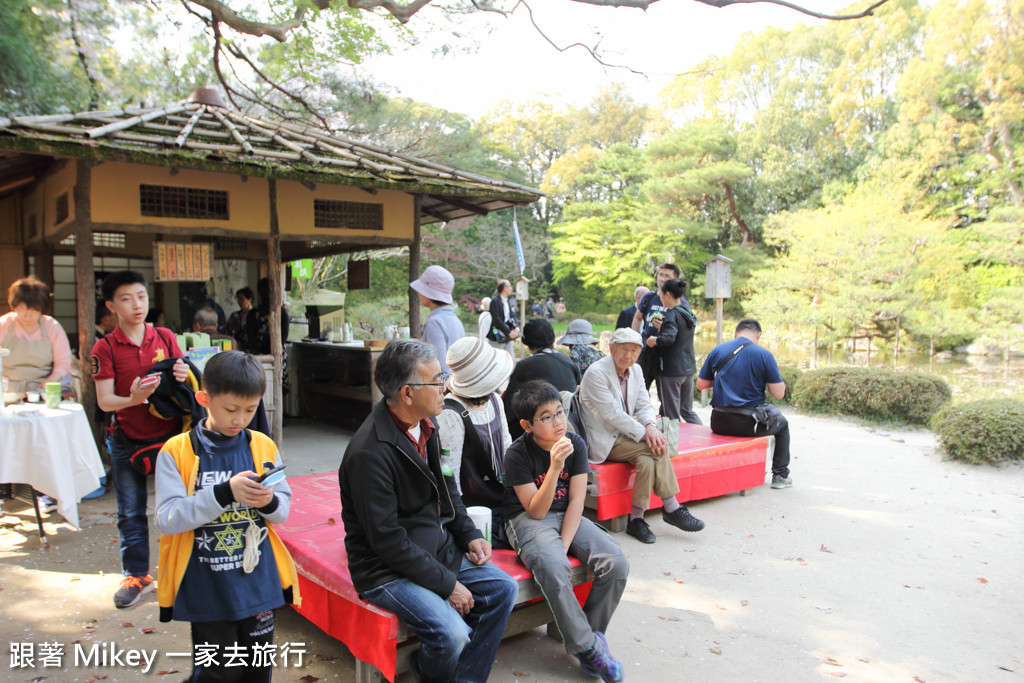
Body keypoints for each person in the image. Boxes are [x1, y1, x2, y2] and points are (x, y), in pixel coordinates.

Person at [339, 339, 518, 683]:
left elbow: (448, 485)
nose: (445, 387)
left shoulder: (427, 425)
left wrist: (467, 534)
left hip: (433, 547)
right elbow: (387, 540)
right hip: (384, 569)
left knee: (503, 589)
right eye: (437, 380)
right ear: (407, 393)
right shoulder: (369, 454)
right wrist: (448, 584)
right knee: (452, 633)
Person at [154, 350, 299, 682]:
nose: (240, 420)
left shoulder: (262, 446)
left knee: (258, 671)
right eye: (231, 410)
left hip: (259, 584)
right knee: (217, 674)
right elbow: (167, 517)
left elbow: (283, 510)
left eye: (250, 410)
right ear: (204, 399)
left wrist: (267, 501)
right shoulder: (177, 451)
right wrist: (223, 493)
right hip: (208, 586)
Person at [504, 380, 628, 682]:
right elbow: (536, 510)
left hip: (567, 516)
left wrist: (564, 543)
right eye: (546, 417)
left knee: (616, 563)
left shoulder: (576, 442)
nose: (558, 422)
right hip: (527, 519)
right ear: (527, 425)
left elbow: (576, 501)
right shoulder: (517, 454)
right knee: (553, 566)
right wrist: (555, 466)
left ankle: (589, 639)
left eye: (560, 412)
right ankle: (589, 650)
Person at [92, 270, 190, 608]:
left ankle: (188, 568)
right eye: (126, 298)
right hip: (126, 440)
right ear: (111, 306)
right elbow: (105, 401)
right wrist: (133, 400)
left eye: (141, 296)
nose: (137, 305)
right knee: (131, 511)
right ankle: (137, 575)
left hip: (172, 437)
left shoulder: (163, 337)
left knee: (181, 505)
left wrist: (182, 372)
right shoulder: (103, 347)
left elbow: (184, 377)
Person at [579, 328, 705, 544]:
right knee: (657, 446)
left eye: (634, 350)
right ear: (611, 348)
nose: (628, 355)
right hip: (604, 437)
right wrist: (645, 432)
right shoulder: (596, 373)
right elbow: (612, 414)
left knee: (647, 459)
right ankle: (671, 506)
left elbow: (644, 404)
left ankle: (636, 519)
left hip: (626, 434)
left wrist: (650, 425)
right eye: (624, 349)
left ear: (640, 353)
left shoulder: (636, 371)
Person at [697, 319, 793, 489]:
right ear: (758, 335)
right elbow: (779, 394)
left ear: (735, 334)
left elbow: (701, 384)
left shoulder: (718, 350)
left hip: (719, 422)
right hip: (748, 424)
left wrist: (725, 380)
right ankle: (780, 475)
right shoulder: (763, 355)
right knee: (783, 425)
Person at [437, 337, 515, 547]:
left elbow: (507, 448)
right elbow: (448, 472)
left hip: (501, 494)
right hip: (472, 507)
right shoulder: (450, 413)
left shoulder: (495, 401)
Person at [503, 318, 580, 441]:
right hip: (571, 430)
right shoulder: (569, 362)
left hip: (538, 436)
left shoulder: (524, 366)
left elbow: (510, 405)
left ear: (528, 345)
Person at [645, 279, 702, 443]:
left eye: (661, 294)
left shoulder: (671, 313)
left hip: (671, 371)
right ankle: (702, 437)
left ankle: (672, 447)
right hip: (688, 369)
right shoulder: (686, 312)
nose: (660, 298)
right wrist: (663, 327)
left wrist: (654, 340)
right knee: (687, 410)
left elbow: (669, 338)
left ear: (667, 294)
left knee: (670, 414)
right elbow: (679, 333)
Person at [1, 276, 72, 396]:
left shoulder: (52, 326)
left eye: (34, 311)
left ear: (42, 309)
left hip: (43, 390)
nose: (27, 316)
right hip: (8, 391)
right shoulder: (3, 324)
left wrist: (52, 380)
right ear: (14, 306)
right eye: (22, 310)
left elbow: (63, 362)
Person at [632, 263, 688, 389]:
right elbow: (637, 317)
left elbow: (685, 330)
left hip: (666, 354)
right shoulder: (649, 297)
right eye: (660, 275)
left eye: (667, 276)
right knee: (637, 388)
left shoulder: (680, 303)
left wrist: (666, 327)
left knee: (665, 395)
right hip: (645, 351)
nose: (662, 279)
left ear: (675, 280)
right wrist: (634, 339)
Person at [411, 264, 465, 376]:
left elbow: (437, 364)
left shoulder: (434, 322)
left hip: (443, 386)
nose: (419, 293)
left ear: (428, 293)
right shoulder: (455, 319)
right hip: (457, 382)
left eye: (421, 290)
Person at [244, 278, 289, 355]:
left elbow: (284, 336)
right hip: (258, 354)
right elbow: (251, 336)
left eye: (268, 291)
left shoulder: (282, 312)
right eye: (263, 291)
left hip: (277, 353)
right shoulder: (253, 313)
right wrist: (259, 351)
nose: (266, 294)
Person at [486, 279, 519, 356]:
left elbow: (511, 316)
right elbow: (497, 320)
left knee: (511, 360)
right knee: (495, 360)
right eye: (510, 286)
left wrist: (516, 328)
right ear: (505, 288)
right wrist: (509, 332)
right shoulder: (495, 301)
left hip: (507, 336)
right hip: (497, 336)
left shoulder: (507, 301)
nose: (511, 288)